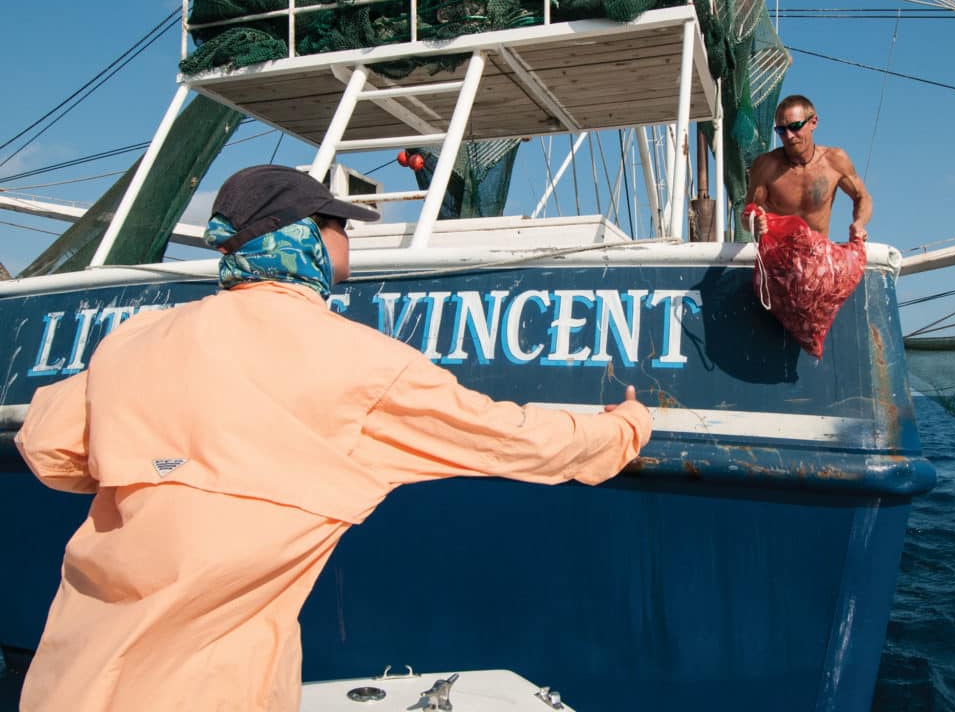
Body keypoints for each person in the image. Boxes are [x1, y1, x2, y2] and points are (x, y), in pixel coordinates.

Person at [15, 165, 652, 712]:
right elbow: (512, 439)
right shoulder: (359, 364)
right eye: (336, 224)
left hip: (73, 675)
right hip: (207, 687)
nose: (347, 236)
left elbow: (46, 446)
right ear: (299, 238)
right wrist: (623, 429)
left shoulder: (136, 338)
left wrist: (164, 464)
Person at [746, 94, 872, 241]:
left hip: (818, 255)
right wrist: (754, 221)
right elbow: (747, 214)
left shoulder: (835, 161)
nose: (789, 135)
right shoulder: (766, 166)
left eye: (795, 127)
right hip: (778, 256)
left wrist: (859, 223)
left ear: (813, 122)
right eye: (781, 130)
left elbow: (862, 196)